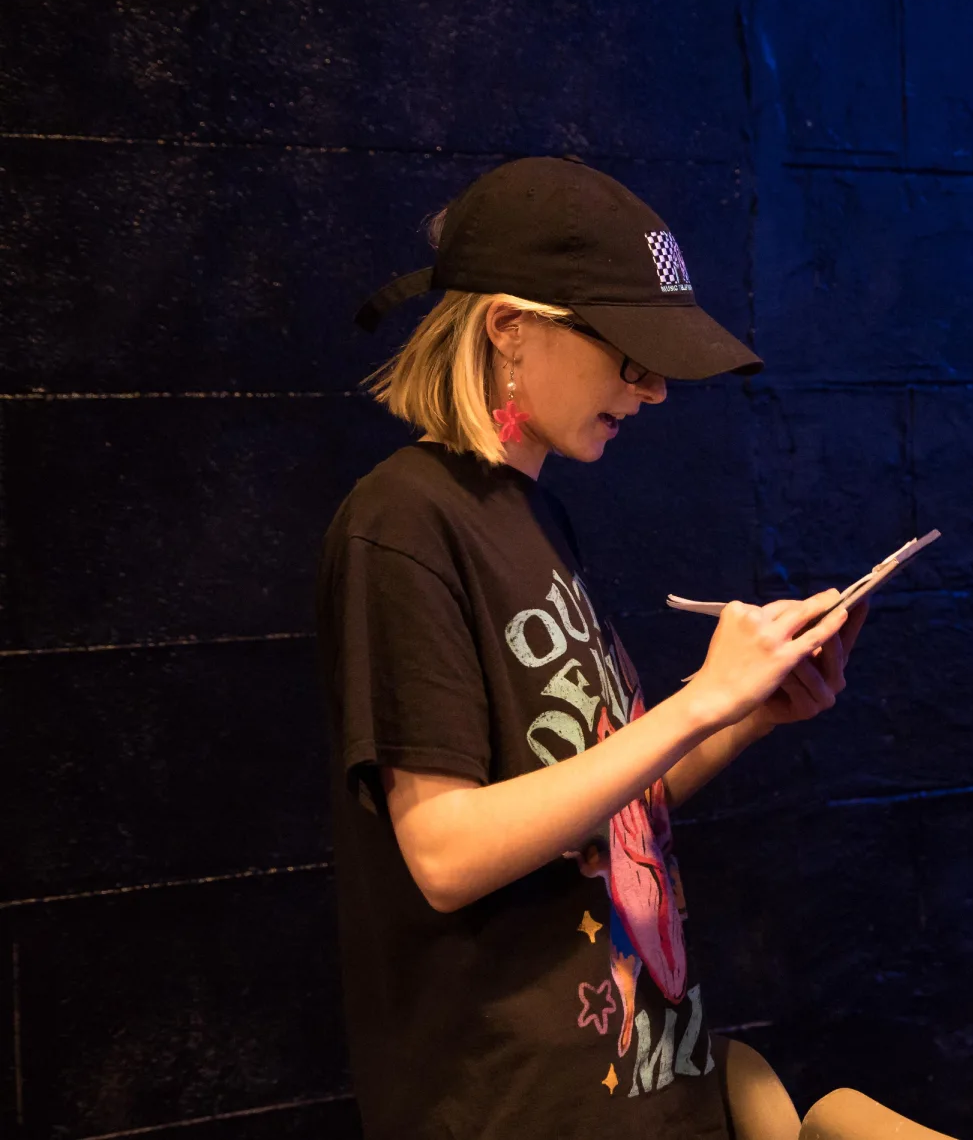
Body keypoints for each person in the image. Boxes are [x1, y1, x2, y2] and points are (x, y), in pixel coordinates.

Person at [320, 157, 858, 1139]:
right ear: (509, 327)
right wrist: (701, 698)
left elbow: (597, 814)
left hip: (648, 1081)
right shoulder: (403, 519)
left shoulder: (536, 518)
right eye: (626, 353)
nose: (651, 390)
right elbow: (443, 850)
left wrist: (745, 715)